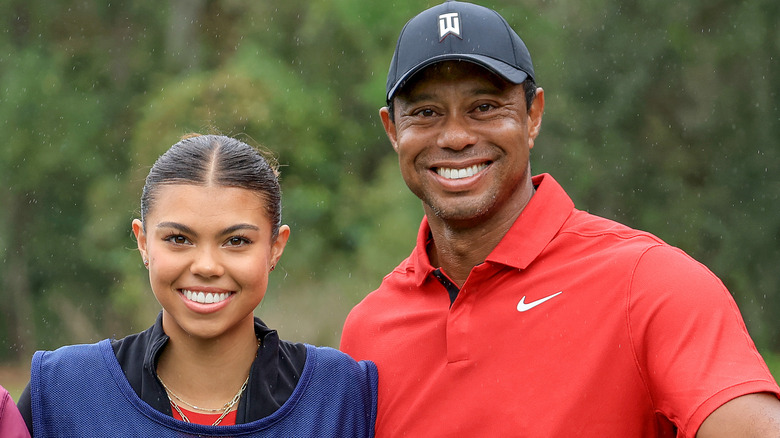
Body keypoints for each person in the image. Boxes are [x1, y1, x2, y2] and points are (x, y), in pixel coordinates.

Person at [339, 1, 780, 436]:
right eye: (426, 113)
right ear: (393, 130)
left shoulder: (650, 285)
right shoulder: (368, 333)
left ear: (533, 116)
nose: (455, 136)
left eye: (485, 107)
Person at [17, 134, 377, 437]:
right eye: (178, 238)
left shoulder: (339, 395)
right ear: (143, 243)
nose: (206, 266)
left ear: (275, 247)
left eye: (236, 241)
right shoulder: (64, 390)